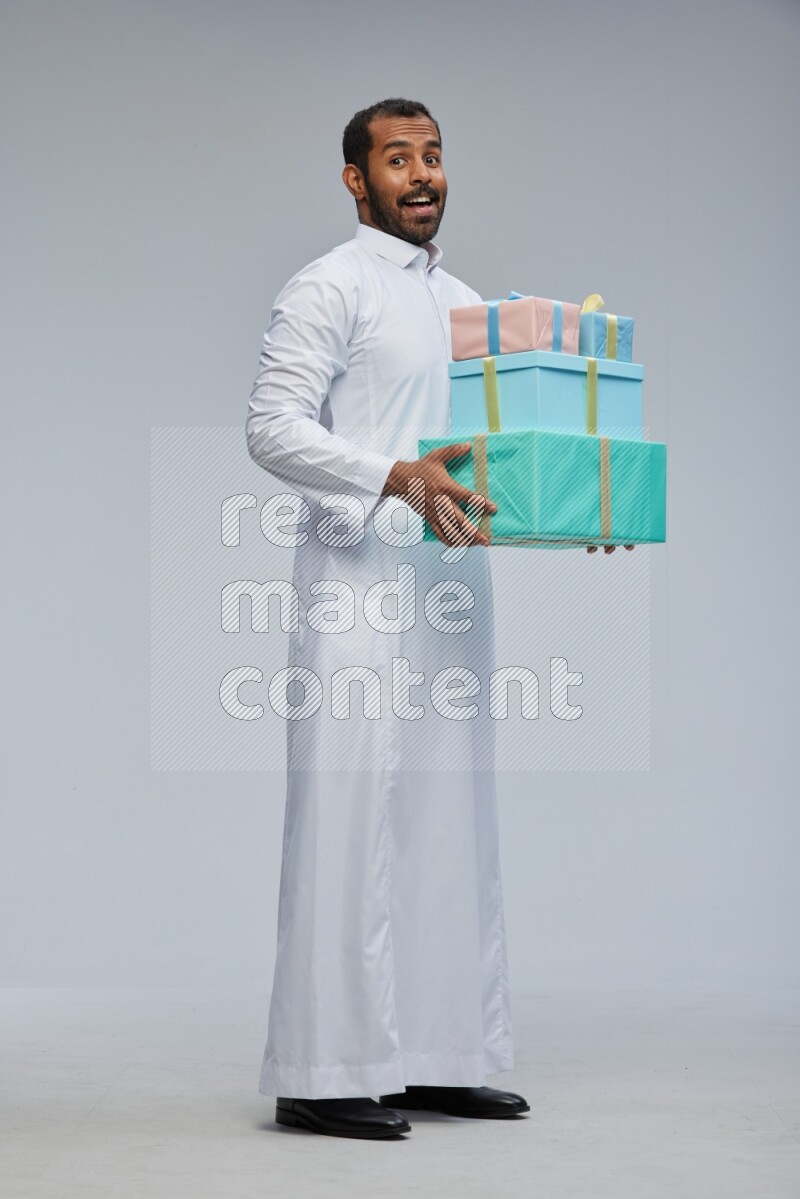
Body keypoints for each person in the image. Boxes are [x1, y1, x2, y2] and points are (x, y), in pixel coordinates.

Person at [245, 97, 530, 1140]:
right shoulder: (328, 286)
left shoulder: (465, 305)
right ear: (355, 180)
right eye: (396, 158)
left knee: (449, 813)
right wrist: (388, 478)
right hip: (356, 579)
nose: (421, 175)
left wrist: (569, 512)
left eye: (435, 156)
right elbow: (270, 425)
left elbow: (485, 452)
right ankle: (322, 1066)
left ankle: (440, 1053)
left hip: (450, 585)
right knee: (347, 814)